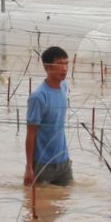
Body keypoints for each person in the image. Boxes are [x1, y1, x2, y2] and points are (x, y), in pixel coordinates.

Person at [23, 45, 73, 187]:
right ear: (48, 67)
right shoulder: (39, 97)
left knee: (65, 202)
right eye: (59, 64)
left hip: (63, 160)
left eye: (66, 64)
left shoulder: (64, 87)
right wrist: (29, 167)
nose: (64, 68)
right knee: (39, 204)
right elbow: (31, 133)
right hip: (42, 164)